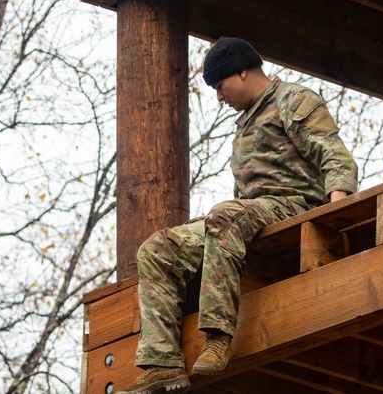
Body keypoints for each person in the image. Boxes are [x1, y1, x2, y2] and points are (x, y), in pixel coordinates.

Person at [117, 37, 358, 394]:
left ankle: (217, 338)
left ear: (242, 71)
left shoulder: (293, 100)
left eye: (219, 85)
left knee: (223, 215)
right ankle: (162, 362)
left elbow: (334, 156)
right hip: (248, 216)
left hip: (296, 207)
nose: (218, 96)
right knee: (158, 248)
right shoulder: (245, 123)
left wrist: (338, 210)